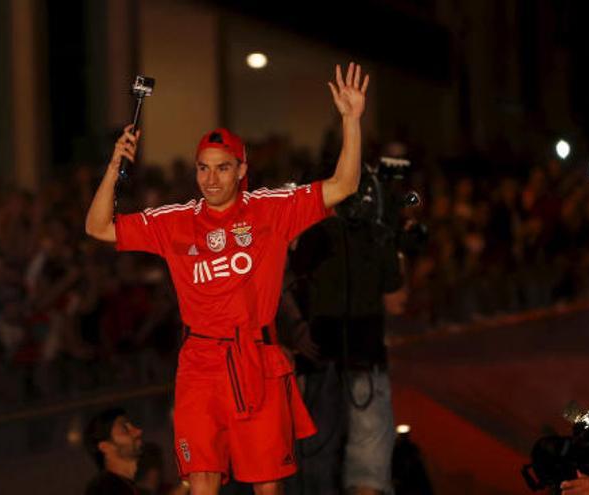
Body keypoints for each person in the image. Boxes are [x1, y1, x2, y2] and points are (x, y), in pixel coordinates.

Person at [85, 62, 370, 494]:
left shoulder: (272, 209)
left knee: (267, 486)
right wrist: (114, 165)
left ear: (241, 169)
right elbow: (98, 228)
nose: (210, 178)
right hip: (199, 365)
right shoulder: (176, 221)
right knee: (202, 480)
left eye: (221, 168)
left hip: (256, 359)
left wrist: (351, 120)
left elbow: (344, 185)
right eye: (203, 168)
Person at [284, 166, 407, 495]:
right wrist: (398, 254)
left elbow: (282, 282)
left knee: (316, 460)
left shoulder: (312, 233)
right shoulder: (379, 236)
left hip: (319, 357)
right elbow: (396, 302)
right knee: (367, 467)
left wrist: (296, 326)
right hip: (364, 361)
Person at [83, 407, 145, 495]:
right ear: (105, 447)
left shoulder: (126, 486)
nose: (138, 431)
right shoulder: (103, 489)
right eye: (125, 429)